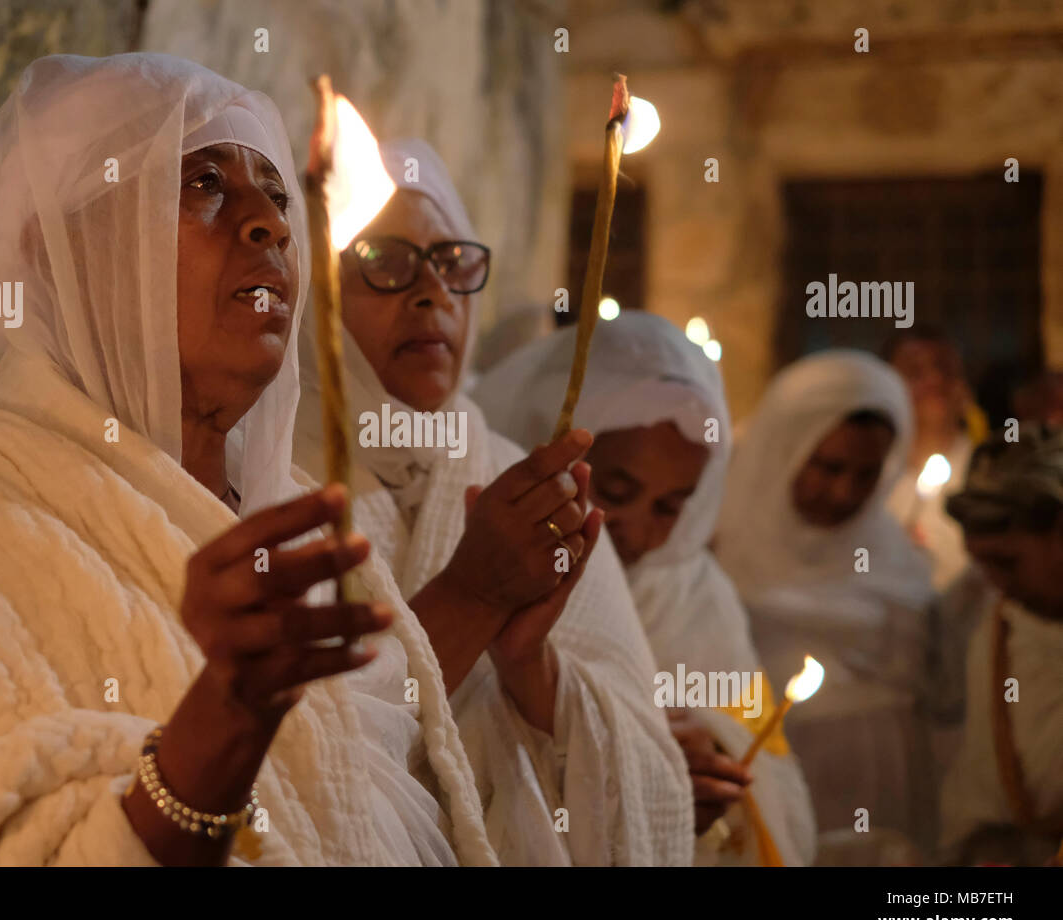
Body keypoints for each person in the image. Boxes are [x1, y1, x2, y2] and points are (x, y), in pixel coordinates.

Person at [0, 53, 500, 867]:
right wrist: (217, 728)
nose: (267, 219)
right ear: (65, 258)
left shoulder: (284, 517)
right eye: (201, 183)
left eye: (273, 190)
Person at [293, 140, 693, 866]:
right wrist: (472, 596)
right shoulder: (265, 474)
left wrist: (530, 667)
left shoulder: (518, 481)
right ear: (308, 285)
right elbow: (288, 757)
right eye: (383, 261)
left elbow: (654, 776)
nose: (432, 293)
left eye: (452, 264)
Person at [474, 312, 817, 866]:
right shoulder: (485, 562)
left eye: (670, 505)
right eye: (615, 489)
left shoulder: (698, 596)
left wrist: (708, 773)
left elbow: (766, 764)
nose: (636, 527)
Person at [714, 351, 938, 858]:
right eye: (829, 466)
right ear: (784, 448)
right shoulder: (719, 550)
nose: (844, 492)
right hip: (758, 792)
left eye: (867, 474)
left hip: (885, 791)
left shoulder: (895, 558)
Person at [939, 424, 1063, 865]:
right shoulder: (998, 639)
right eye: (982, 564)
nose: (996, 585)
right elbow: (981, 799)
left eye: (1007, 562)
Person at [882, 325, 986, 591]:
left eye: (945, 370)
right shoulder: (870, 477)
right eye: (915, 373)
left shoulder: (990, 471)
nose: (935, 381)